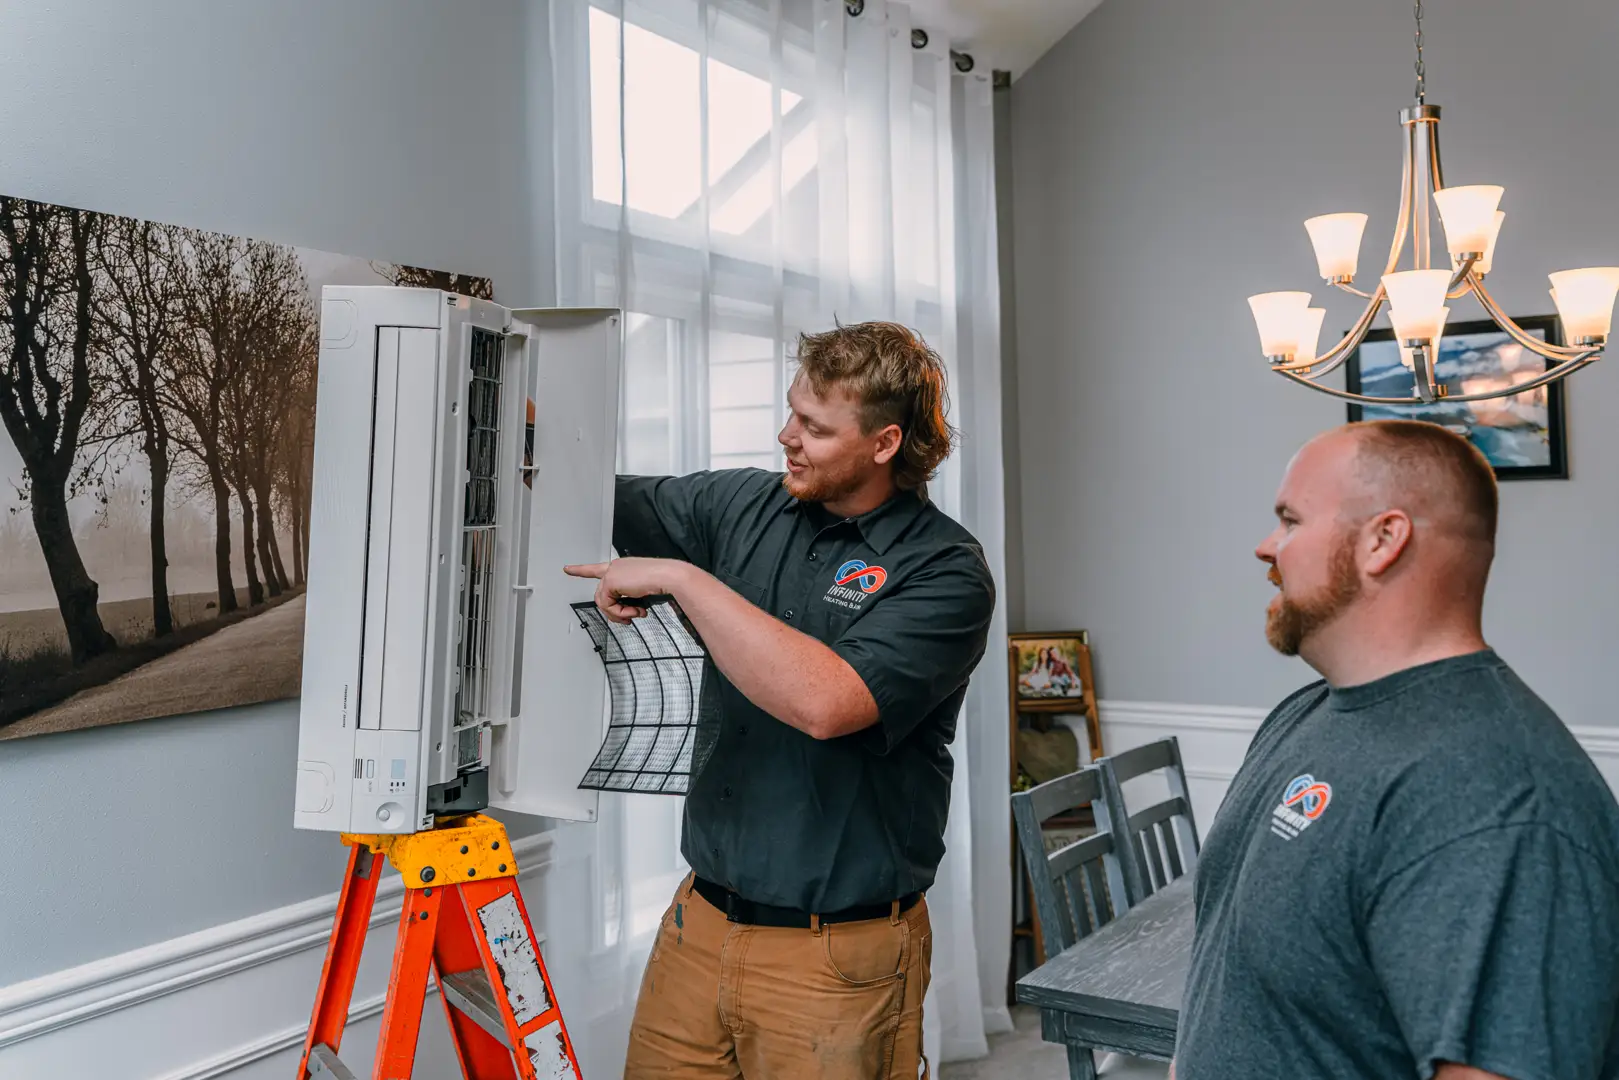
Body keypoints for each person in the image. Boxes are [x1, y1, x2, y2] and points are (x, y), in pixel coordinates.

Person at [564, 321, 996, 1080]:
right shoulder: (741, 504)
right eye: (792, 411)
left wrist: (683, 579)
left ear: (885, 443)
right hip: (698, 927)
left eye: (815, 427)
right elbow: (586, 492)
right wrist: (520, 414)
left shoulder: (945, 571)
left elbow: (825, 702)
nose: (786, 436)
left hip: (835, 959)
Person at [1172, 420, 1619, 1079]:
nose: (1266, 547)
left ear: (1382, 540)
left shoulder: (1498, 795)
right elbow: (1231, 990)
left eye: (1290, 521)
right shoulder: (1303, 714)